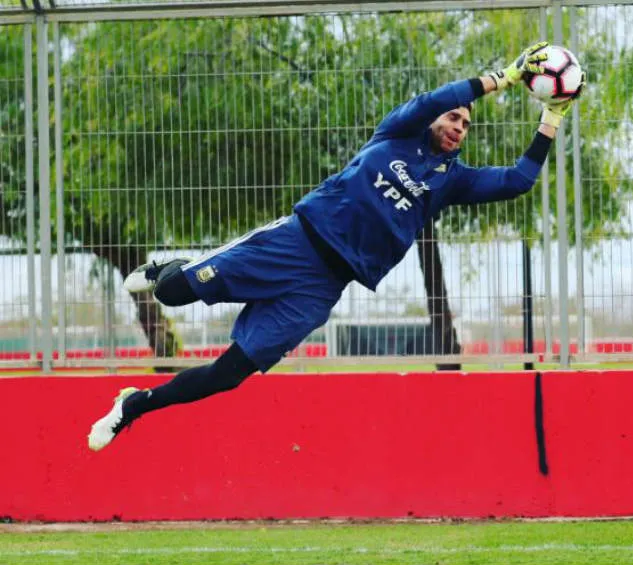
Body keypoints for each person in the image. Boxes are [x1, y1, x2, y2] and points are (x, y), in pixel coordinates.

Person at [88, 42, 580, 452]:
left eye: (466, 125)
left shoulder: (451, 181)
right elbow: (438, 96)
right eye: (453, 117)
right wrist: (506, 78)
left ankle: (135, 405)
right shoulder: (399, 130)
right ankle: (168, 268)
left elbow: (518, 180)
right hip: (292, 243)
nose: (458, 126)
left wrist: (551, 118)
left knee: (229, 374)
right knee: (173, 293)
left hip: (323, 286)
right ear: (434, 118)